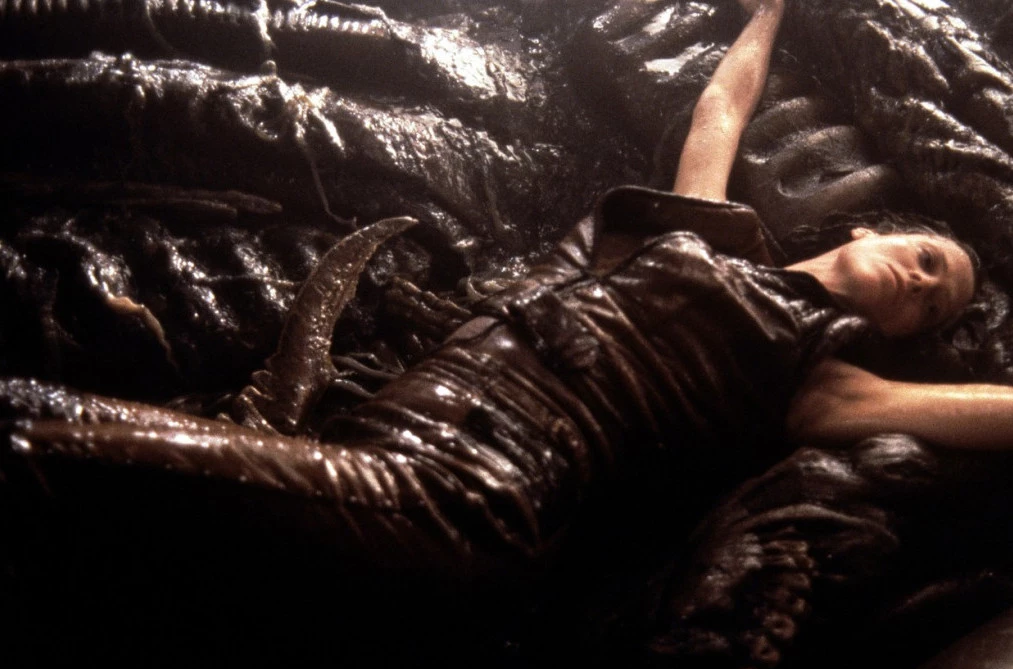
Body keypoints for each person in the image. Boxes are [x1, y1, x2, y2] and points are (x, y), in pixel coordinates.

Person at [0, 0, 989, 586]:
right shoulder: (701, 232)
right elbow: (719, 109)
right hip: (374, 426)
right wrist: (769, 11)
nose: (920, 283)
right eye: (927, 260)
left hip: (462, 495)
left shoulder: (822, 379)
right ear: (865, 230)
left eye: (933, 304)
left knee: (34, 432)